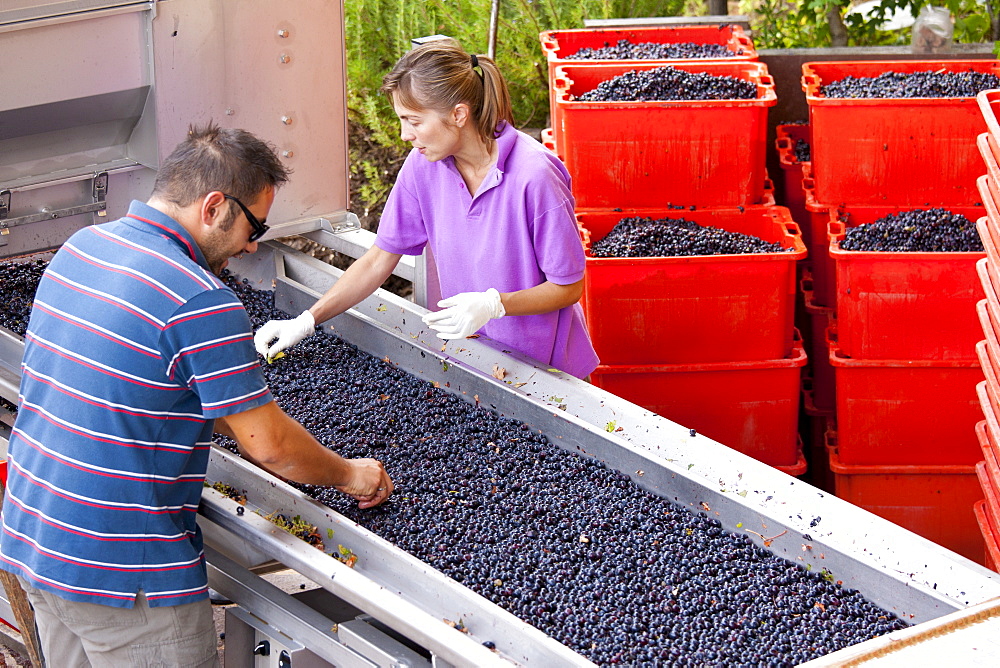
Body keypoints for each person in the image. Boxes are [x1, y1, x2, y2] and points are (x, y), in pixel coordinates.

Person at [0, 123, 394, 667]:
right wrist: (352, 474)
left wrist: (234, 403)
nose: (253, 244)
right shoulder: (199, 299)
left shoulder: (82, 248)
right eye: (254, 225)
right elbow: (272, 448)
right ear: (214, 207)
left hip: (38, 541)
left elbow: (138, 384)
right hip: (127, 577)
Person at [255, 40, 600, 379]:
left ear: (459, 114)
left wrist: (496, 304)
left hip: (546, 370)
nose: (405, 134)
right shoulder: (424, 166)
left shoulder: (535, 176)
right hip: (476, 360)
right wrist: (307, 320)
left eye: (414, 121)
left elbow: (568, 287)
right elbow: (378, 260)